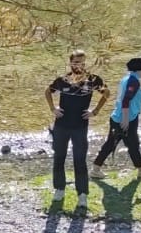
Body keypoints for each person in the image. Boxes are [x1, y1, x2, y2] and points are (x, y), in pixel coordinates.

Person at [44, 50, 108, 210]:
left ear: (85, 63)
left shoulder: (92, 80)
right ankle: (59, 189)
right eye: (76, 62)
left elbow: (106, 92)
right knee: (59, 157)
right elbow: (48, 91)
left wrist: (95, 111)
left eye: (82, 62)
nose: (78, 65)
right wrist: (53, 109)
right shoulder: (63, 80)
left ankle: (82, 195)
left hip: (80, 126)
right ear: (70, 62)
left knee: (80, 160)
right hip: (61, 125)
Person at [92, 57, 141, 179]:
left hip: (125, 116)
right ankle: (95, 169)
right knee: (114, 144)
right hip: (125, 119)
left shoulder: (127, 78)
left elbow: (131, 99)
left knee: (132, 144)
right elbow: (126, 100)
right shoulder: (133, 81)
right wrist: (125, 119)